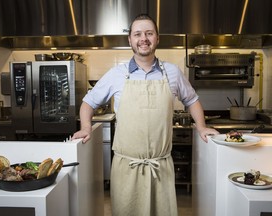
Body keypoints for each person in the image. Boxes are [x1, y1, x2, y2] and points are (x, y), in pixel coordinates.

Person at [72, 13, 219, 216]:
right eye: (138, 34)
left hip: (160, 166)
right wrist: (86, 127)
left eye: (149, 33)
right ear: (130, 39)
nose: (144, 39)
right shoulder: (117, 74)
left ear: (157, 38)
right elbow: (88, 102)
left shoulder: (173, 73)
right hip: (127, 168)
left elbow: (192, 100)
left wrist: (201, 126)